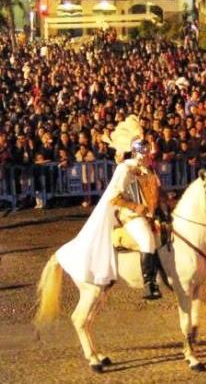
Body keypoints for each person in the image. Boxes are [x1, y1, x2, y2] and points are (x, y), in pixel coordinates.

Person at [55, 116, 163, 300]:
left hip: (150, 212)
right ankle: (149, 283)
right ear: (137, 153)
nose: (148, 155)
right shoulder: (125, 169)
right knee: (147, 240)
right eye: (145, 153)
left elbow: (157, 191)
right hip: (131, 215)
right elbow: (115, 197)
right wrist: (135, 206)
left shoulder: (148, 170)